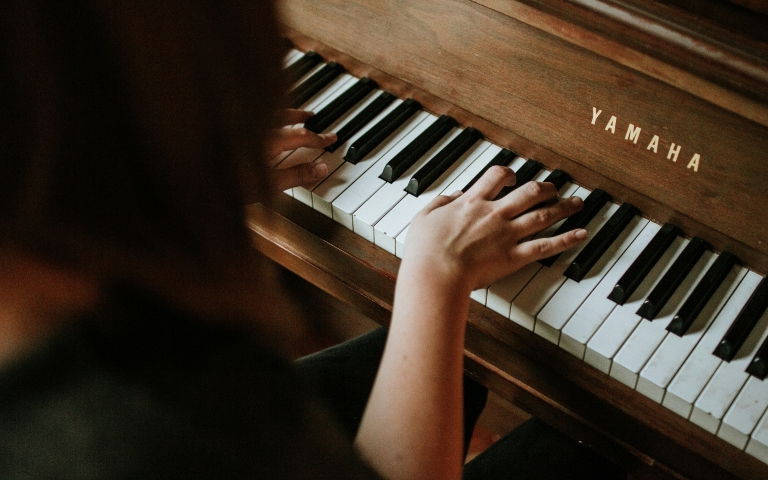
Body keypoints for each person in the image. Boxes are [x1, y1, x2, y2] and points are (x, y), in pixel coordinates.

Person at [0, 1, 625, 478]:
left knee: (477, 360)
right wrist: (436, 276)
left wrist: (183, 182)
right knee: (596, 443)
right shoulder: (123, 437)